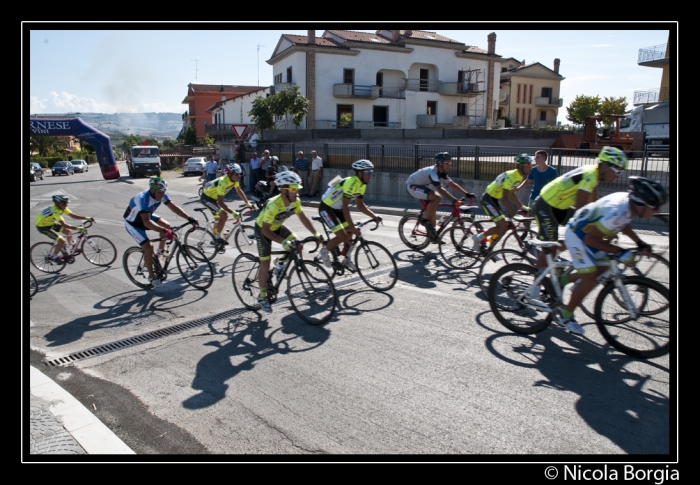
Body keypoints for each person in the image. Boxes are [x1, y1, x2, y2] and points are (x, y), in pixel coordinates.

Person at [554, 176, 668, 335]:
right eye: (654, 207)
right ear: (640, 204)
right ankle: (565, 316)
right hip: (577, 235)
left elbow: (624, 224)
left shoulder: (628, 207)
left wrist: (639, 242)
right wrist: (620, 251)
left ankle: (563, 280)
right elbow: (590, 239)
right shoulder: (618, 211)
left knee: (605, 268)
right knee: (590, 278)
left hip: (590, 232)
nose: (658, 212)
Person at [532, 146, 628, 269]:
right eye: (618, 171)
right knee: (550, 249)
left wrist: (605, 229)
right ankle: (535, 285)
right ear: (605, 167)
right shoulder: (590, 176)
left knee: (579, 231)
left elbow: (594, 206)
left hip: (559, 206)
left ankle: (557, 264)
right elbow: (581, 208)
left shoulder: (594, 174)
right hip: (544, 205)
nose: (618, 176)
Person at [254, 171, 324, 313]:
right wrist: (283, 242)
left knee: (298, 244)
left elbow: (303, 218)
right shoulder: (273, 204)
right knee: (265, 264)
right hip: (263, 229)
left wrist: (316, 234)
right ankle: (262, 297)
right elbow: (266, 231)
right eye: (293, 189)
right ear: (283, 190)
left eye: (297, 188)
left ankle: (280, 263)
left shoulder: (295, 201)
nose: (296, 192)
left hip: (277, 226)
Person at [124, 176, 199, 288]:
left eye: (164, 192)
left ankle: (160, 251)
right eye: (160, 192)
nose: (162, 195)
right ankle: (151, 276)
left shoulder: (160, 194)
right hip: (134, 223)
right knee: (148, 247)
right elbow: (146, 222)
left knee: (167, 225)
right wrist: (165, 231)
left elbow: (174, 208)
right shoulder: (143, 199)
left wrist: (189, 218)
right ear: (152, 190)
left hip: (146, 215)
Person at [317, 160, 382, 271]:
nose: (370, 175)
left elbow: (360, 205)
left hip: (338, 208)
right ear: (359, 173)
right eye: (367, 172)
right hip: (327, 207)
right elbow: (346, 207)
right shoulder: (351, 182)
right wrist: (352, 226)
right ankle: (324, 252)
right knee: (342, 235)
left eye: (371, 172)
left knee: (350, 235)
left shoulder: (362, 185)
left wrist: (374, 216)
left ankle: (347, 260)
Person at [405, 152, 475, 243]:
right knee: (437, 197)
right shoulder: (432, 172)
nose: (449, 165)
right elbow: (440, 189)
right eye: (447, 163)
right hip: (412, 186)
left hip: (421, 186)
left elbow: (452, 184)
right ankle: (424, 220)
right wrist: (454, 200)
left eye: (450, 163)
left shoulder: (441, 172)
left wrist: (467, 194)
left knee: (432, 210)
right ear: (440, 163)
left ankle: (433, 236)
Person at [471, 154, 534, 249]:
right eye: (528, 165)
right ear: (520, 166)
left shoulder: (520, 177)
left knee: (503, 226)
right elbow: (505, 198)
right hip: (488, 199)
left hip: (495, 200)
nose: (531, 167)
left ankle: (488, 246)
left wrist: (522, 206)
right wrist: (514, 214)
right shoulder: (511, 176)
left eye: (531, 165)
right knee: (502, 226)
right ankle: (478, 238)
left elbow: (511, 194)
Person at [200, 163, 253, 247]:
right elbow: (221, 203)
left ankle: (215, 240)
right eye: (236, 174)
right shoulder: (223, 182)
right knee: (224, 215)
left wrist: (247, 203)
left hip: (214, 199)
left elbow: (239, 191)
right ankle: (217, 238)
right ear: (230, 174)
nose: (239, 176)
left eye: (239, 174)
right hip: (206, 199)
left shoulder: (233, 180)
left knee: (218, 219)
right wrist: (233, 212)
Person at [34, 194, 94, 261]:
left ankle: (72, 247)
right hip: (42, 227)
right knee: (61, 240)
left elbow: (73, 215)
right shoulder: (55, 211)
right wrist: (78, 228)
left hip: (50, 223)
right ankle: (54, 257)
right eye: (64, 204)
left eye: (66, 203)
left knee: (68, 231)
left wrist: (87, 218)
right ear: (58, 203)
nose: (66, 205)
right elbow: (64, 224)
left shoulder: (61, 207)